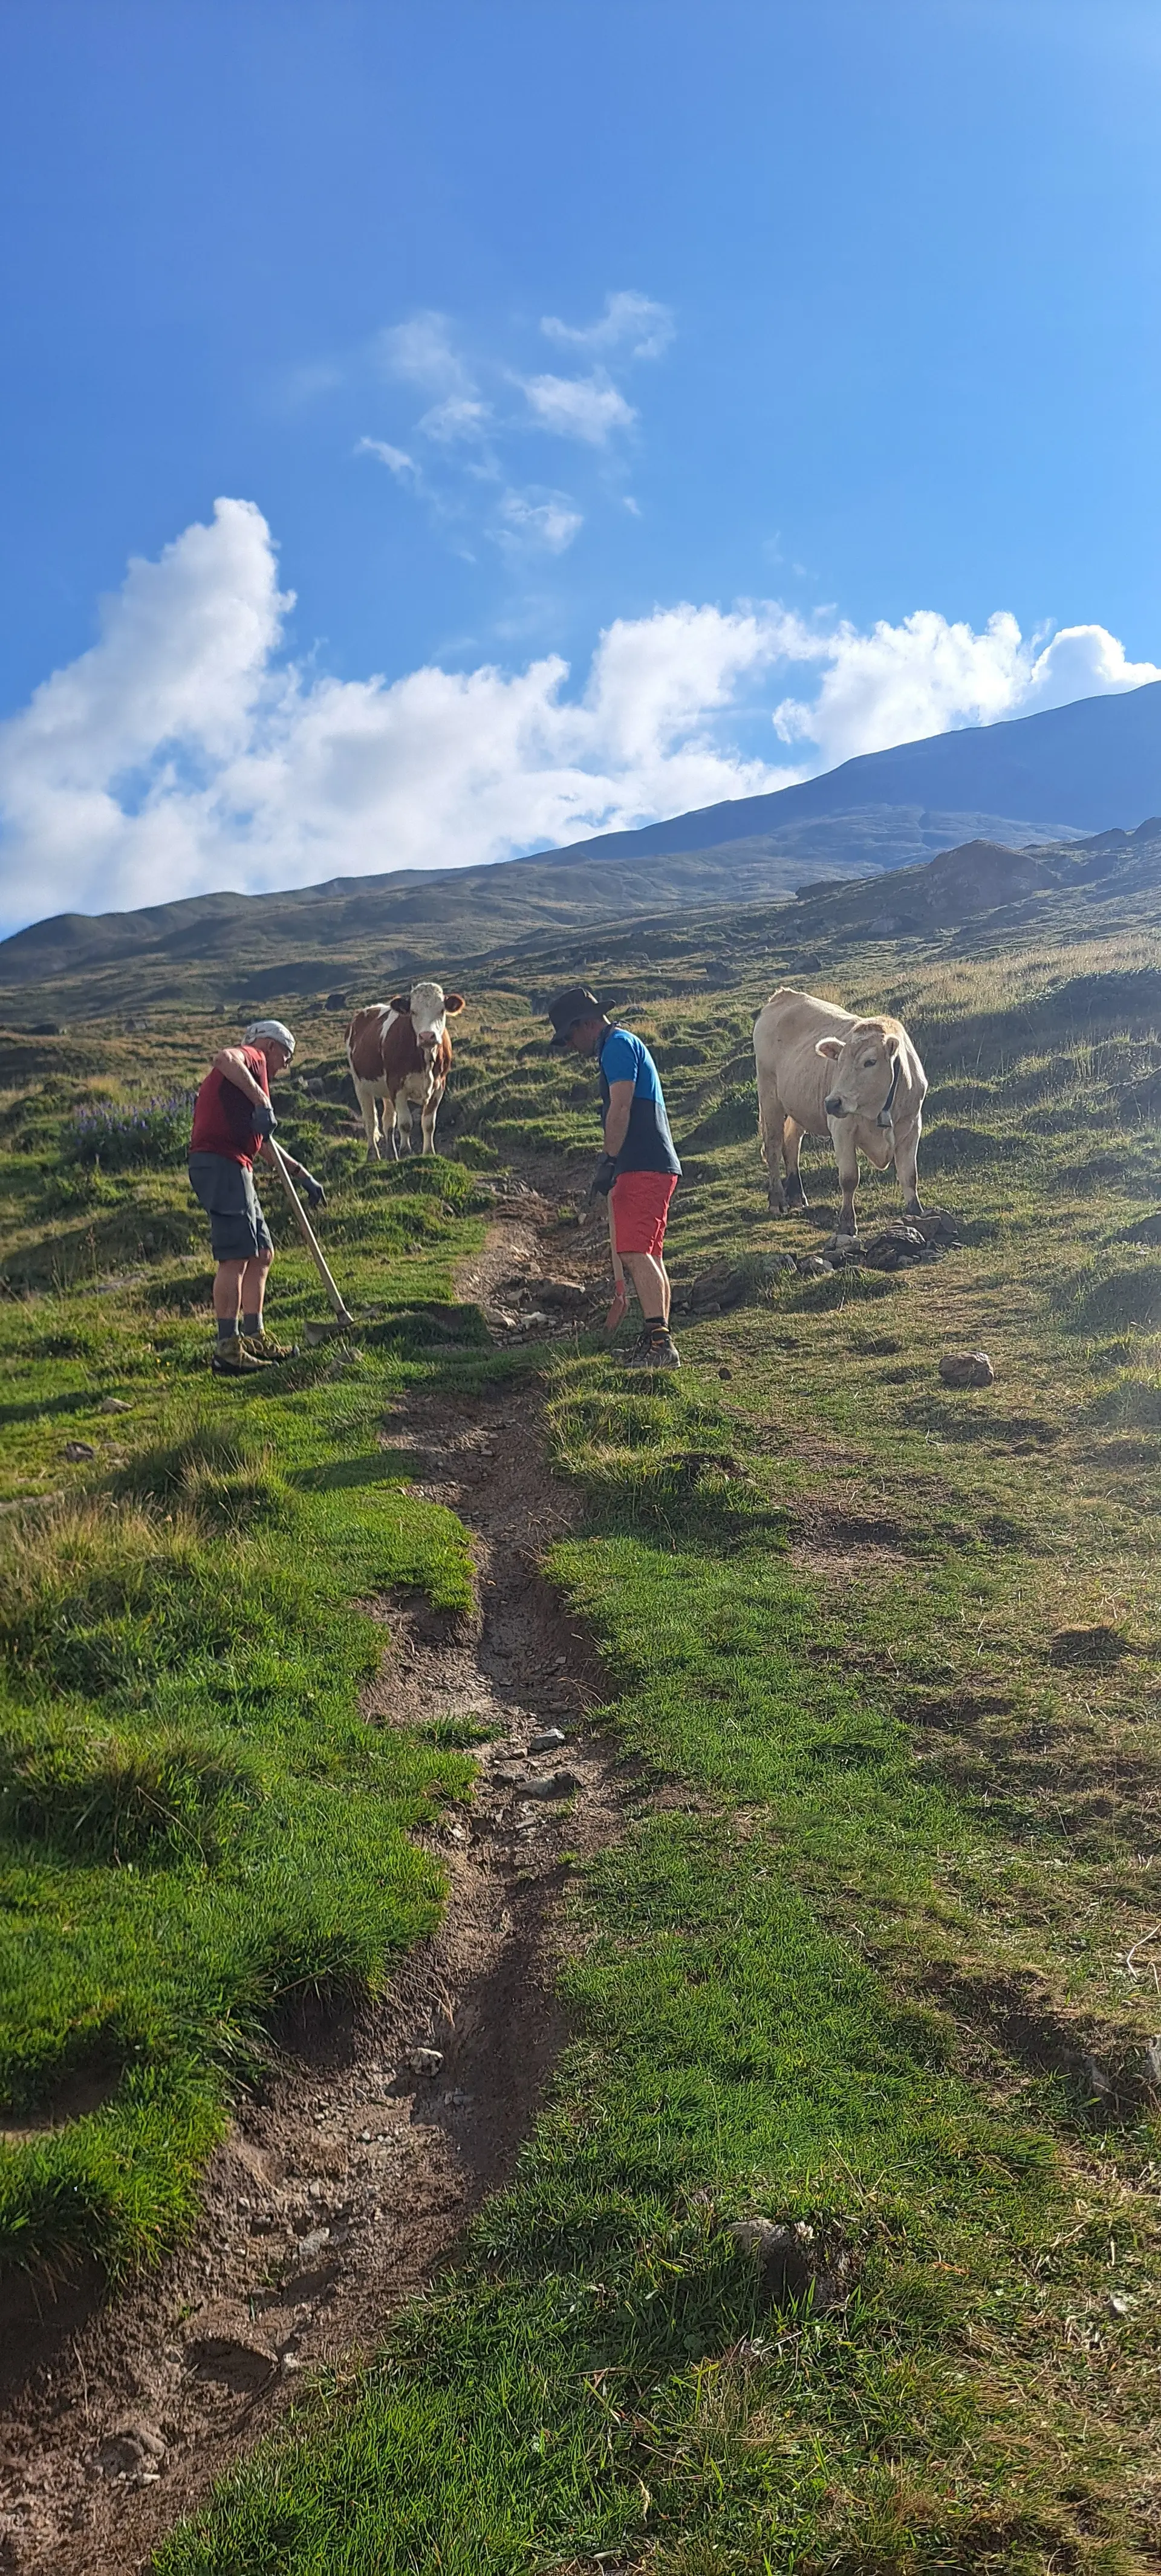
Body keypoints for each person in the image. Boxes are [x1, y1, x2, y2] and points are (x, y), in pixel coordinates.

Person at [547, 984, 682, 1369]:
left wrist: (609, 1159)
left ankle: (661, 1346)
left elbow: (620, 1108)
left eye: (570, 1037)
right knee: (649, 1252)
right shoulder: (620, 1045)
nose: (571, 1046)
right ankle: (656, 1337)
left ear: (586, 1024)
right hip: (651, 1161)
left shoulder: (618, 1047)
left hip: (642, 1161)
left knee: (635, 1251)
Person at [187, 1018, 325, 1375]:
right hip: (220, 1162)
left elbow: (263, 1143)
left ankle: (254, 1335)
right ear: (271, 1046)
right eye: (287, 1057)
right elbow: (223, 1058)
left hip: (237, 1164)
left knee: (262, 1254)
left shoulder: (244, 1086)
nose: (284, 1067)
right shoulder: (252, 1059)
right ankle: (227, 1349)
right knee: (236, 1256)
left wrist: (302, 1174)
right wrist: (262, 1099)